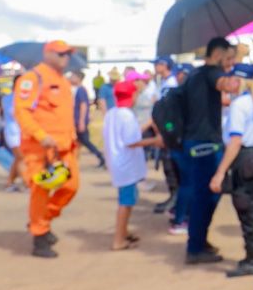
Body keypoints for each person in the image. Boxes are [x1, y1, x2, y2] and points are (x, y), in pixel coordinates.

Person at [13, 40, 79, 258]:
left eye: (68, 54)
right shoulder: (32, 79)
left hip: (64, 148)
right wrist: (41, 136)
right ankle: (39, 236)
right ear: (47, 53)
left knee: (70, 187)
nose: (65, 57)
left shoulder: (63, 81)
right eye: (61, 53)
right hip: (40, 148)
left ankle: (42, 219)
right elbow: (22, 113)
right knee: (40, 192)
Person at [177, 37, 237, 265]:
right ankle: (195, 248)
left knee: (207, 194)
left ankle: (199, 240)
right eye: (229, 57)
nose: (230, 62)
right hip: (204, 145)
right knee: (205, 196)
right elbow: (227, 85)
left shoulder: (195, 74)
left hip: (193, 142)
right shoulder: (212, 72)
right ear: (218, 54)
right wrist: (241, 77)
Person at [210, 64, 253, 277]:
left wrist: (220, 172)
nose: (230, 82)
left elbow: (235, 140)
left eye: (232, 78)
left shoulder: (240, 104)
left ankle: (251, 259)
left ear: (240, 81)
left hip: (246, 156)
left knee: (245, 206)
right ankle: (252, 255)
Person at [103, 80, 160, 251]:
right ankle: (118, 239)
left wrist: (148, 123)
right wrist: (155, 141)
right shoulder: (126, 115)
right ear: (133, 95)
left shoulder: (113, 113)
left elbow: (130, 135)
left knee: (129, 199)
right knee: (125, 202)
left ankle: (124, 231)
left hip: (119, 161)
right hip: (125, 164)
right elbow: (131, 141)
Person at [152, 57, 181, 215]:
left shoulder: (171, 84)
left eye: (158, 64)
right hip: (165, 129)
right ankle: (173, 196)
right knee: (168, 166)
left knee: (171, 166)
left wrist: (167, 130)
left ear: (165, 66)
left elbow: (170, 112)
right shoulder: (164, 82)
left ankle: (176, 199)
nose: (156, 67)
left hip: (169, 130)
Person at [69, 71, 105, 168]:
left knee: (86, 141)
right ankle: (74, 161)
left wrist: (81, 121)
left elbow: (84, 105)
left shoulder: (81, 90)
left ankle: (101, 156)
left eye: (73, 76)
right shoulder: (76, 90)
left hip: (79, 121)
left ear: (78, 78)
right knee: (78, 142)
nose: (71, 78)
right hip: (76, 120)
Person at [1, 78, 24, 191]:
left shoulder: (23, 98)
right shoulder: (8, 98)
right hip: (12, 132)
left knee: (18, 158)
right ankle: (28, 182)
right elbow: (13, 113)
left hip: (20, 132)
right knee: (21, 157)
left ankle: (9, 182)